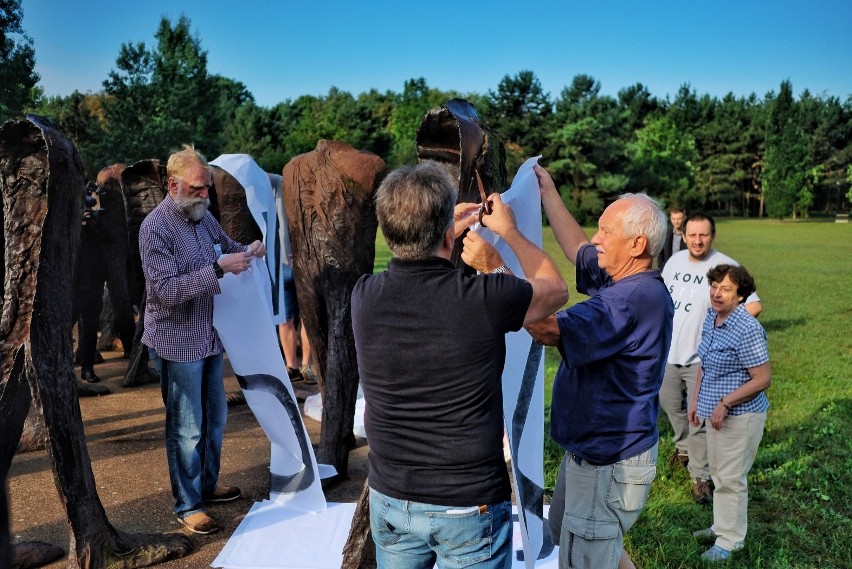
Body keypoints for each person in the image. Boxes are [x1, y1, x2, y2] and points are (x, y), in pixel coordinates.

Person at [351, 162, 567, 568]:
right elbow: (556, 290)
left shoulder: (364, 295)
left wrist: (432, 223)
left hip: (391, 495)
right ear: (449, 234)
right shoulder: (483, 299)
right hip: (467, 504)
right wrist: (509, 235)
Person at [526, 165, 672, 569]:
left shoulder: (629, 299)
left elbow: (545, 327)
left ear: (637, 244)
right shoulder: (624, 276)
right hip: (594, 453)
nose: (596, 239)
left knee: (587, 554)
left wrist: (493, 266)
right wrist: (548, 192)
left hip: (607, 463)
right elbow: (578, 249)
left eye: (606, 232)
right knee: (592, 540)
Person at [140, 145, 266, 535]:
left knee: (216, 418)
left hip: (210, 337)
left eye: (207, 188)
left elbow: (228, 249)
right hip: (177, 342)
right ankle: (188, 504)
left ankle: (207, 486)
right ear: (173, 184)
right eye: (198, 189)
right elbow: (164, 291)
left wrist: (249, 251)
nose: (205, 196)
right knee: (187, 426)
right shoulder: (155, 227)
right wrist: (217, 268)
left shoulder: (202, 216)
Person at [660, 213, 762, 505]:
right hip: (668, 354)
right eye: (692, 235)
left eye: (703, 235)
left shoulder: (725, 266)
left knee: (699, 419)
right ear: (684, 235)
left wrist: (724, 328)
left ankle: (700, 478)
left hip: (702, 361)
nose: (697, 240)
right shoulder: (674, 262)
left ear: (712, 236)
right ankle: (683, 448)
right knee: (670, 407)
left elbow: (754, 304)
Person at [689, 264, 770, 562]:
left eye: (725, 289)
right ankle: (720, 526)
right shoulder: (712, 317)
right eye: (714, 286)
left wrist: (725, 403)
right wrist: (697, 400)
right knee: (719, 474)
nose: (716, 293)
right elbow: (705, 362)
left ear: (741, 296)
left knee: (731, 478)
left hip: (741, 415)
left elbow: (762, 379)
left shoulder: (746, 328)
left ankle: (731, 540)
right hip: (714, 411)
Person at [72, 186, 111, 383]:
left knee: (91, 329)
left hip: (95, 284)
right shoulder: (67, 227)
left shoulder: (93, 226)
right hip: (74, 286)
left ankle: (88, 369)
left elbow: (109, 239)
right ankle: (65, 371)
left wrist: (96, 222)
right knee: (64, 329)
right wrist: (76, 224)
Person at [277, 266, 318, 385]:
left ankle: (306, 366)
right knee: (284, 318)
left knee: (307, 318)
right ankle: (291, 367)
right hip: (281, 269)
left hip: (305, 267)